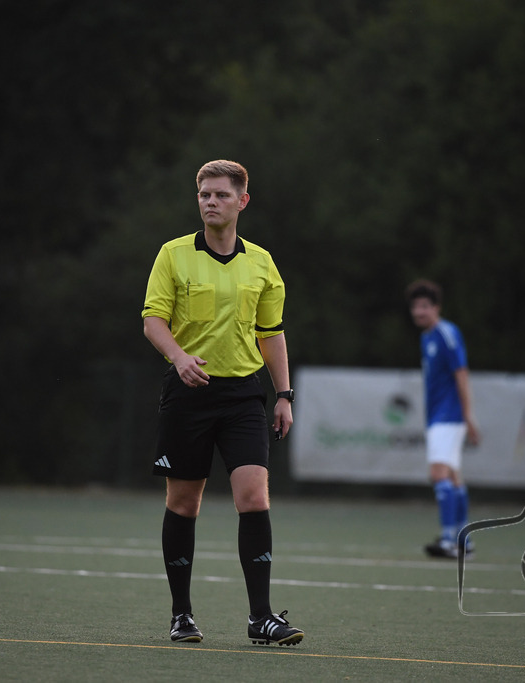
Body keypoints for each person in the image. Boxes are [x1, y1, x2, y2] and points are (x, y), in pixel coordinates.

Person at [141, 159, 304, 646]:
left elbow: (271, 334)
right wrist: (177, 357)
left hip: (243, 396)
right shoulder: (173, 254)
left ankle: (261, 618)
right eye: (204, 194)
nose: (211, 201)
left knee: (253, 496)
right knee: (184, 503)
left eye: (221, 195)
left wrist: (284, 394)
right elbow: (153, 320)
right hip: (188, 395)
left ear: (242, 201)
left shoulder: (262, 262)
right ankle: (181, 615)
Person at [405, 279, 480, 559]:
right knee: (454, 478)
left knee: (438, 475)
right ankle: (465, 540)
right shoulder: (427, 337)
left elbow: (461, 374)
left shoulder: (447, 334)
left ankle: (449, 540)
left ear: (437, 307)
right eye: (415, 307)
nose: (419, 312)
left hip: (448, 416)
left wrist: (468, 415)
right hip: (439, 415)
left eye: (424, 306)